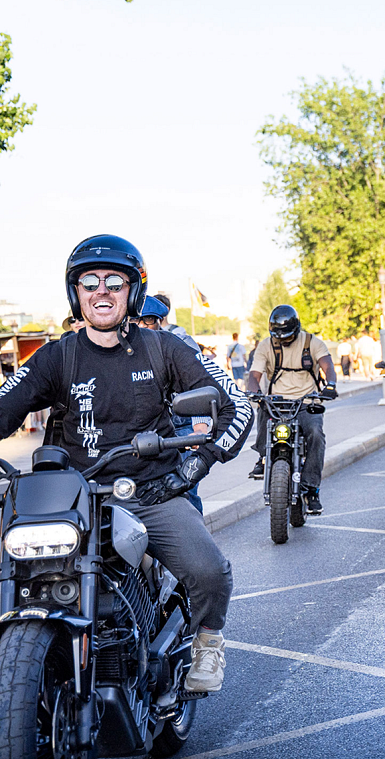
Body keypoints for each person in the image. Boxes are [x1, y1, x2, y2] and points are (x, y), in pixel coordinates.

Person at [0, 235, 251, 693]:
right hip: (72, 498)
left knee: (209, 571)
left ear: (132, 291)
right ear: (75, 292)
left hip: (150, 494)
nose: (101, 290)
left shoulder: (162, 348)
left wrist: (199, 462)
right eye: (89, 281)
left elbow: (237, 405)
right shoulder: (57, 356)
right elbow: (5, 405)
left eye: (114, 281)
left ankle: (208, 642)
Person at [246, 305, 338, 514]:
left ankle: (312, 489)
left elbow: (328, 366)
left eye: (286, 337)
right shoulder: (265, 345)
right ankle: (262, 457)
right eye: (278, 337)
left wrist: (331, 385)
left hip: (307, 402)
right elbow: (254, 374)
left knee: (315, 434)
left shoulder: (311, 342)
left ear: (296, 329)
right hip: (277, 402)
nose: (282, 341)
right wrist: (253, 391)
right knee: (262, 408)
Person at [139, 294, 212, 513]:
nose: (141, 326)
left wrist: (199, 428)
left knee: (184, 490)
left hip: (182, 427)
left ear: (159, 321)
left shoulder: (178, 342)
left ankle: (196, 542)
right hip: (147, 431)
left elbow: (197, 384)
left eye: (148, 320)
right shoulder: (124, 348)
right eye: (135, 320)